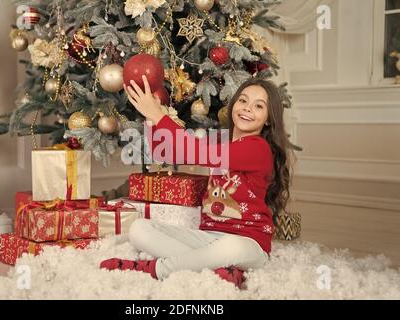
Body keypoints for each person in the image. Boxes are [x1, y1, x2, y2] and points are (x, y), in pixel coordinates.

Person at [100, 75, 292, 289]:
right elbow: (166, 153)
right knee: (139, 229)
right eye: (243, 100)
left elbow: (193, 151)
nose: (247, 108)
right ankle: (218, 270)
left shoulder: (257, 148)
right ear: (234, 104)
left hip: (247, 244)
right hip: (209, 236)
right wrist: (152, 117)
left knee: (231, 247)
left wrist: (157, 114)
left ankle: (155, 269)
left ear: (268, 118)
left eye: (258, 106)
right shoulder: (223, 142)